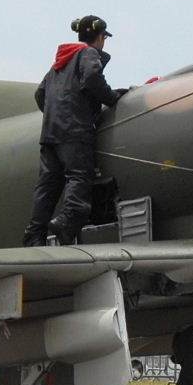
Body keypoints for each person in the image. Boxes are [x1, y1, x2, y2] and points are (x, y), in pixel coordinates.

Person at [22, 15, 126, 247]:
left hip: (50, 133)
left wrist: (55, 114)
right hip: (74, 130)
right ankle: (68, 221)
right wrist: (111, 98)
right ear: (100, 37)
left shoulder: (59, 63)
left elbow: (40, 94)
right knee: (78, 176)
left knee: (48, 185)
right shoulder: (87, 54)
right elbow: (91, 79)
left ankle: (34, 236)